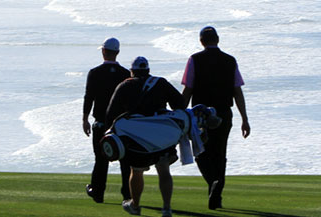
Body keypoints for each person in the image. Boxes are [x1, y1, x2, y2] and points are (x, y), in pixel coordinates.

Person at [180, 26, 250, 210]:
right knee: (220, 153)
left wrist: (179, 112)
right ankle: (216, 193)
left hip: (200, 114)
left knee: (201, 152)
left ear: (201, 41)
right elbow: (237, 91)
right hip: (224, 113)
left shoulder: (195, 60)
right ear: (217, 39)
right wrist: (245, 118)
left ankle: (213, 182)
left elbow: (188, 89)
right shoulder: (229, 60)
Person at [105, 56, 186, 217]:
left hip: (137, 138)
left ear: (132, 71)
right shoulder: (161, 83)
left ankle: (135, 205)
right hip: (161, 136)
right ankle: (166, 208)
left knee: (136, 171)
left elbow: (110, 114)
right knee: (164, 170)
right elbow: (180, 104)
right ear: (148, 70)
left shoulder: (124, 86)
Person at [81, 37, 132, 204]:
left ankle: (98, 191)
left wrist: (85, 118)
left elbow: (89, 97)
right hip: (121, 124)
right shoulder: (126, 74)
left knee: (101, 158)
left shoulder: (95, 73)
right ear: (117, 52)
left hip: (101, 122)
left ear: (104, 51)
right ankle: (127, 193)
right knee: (125, 160)